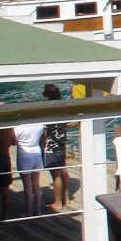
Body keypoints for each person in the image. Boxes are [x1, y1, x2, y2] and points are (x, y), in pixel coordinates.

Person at [42, 84, 70, 212]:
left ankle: (58, 203)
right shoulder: (62, 109)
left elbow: (45, 132)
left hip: (52, 148)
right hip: (62, 146)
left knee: (56, 175)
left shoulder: (48, 112)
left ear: (47, 96)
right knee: (63, 170)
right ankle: (66, 197)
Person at [14, 121, 46, 216]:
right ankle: (38, 210)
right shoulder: (39, 125)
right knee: (36, 184)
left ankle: (29, 211)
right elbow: (44, 137)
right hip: (37, 153)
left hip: (24, 155)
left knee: (27, 186)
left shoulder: (19, 127)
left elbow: (14, 141)